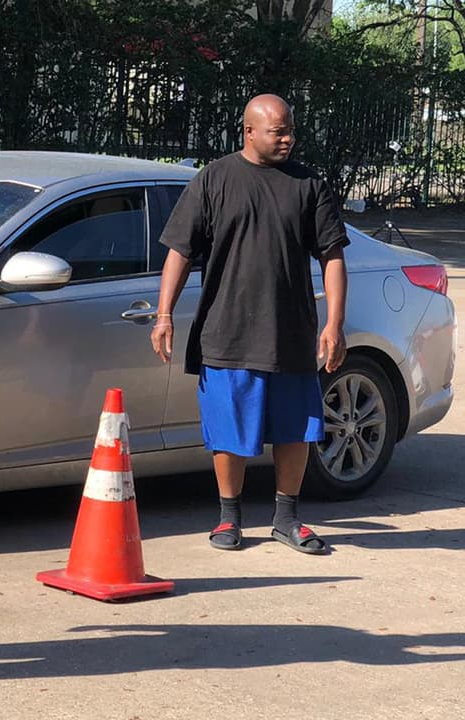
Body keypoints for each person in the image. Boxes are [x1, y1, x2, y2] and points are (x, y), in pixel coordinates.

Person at [151, 94, 348, 556]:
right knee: (229, 430)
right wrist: (164, 315)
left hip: (291, 332)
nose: (288, 138)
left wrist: (334, 323)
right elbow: (179, 250)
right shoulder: (215, 179)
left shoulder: (308, 184)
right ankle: (229, 518)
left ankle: (286, 518)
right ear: (249, 132)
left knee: (296, 429)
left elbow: (333, 256)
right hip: (228, 331)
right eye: (278, 131)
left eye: (290, 130)